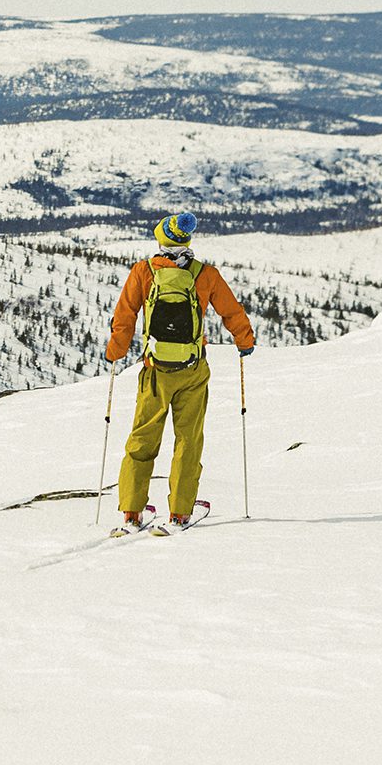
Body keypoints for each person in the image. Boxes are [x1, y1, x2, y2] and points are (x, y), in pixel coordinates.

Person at [105, 212, 254, 529]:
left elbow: (125, 315)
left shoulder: (144, 271)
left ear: (161, 241)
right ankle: (180, 511)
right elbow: (232, 311)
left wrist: (116, 351)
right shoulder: (205, 274)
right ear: (186, 241)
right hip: (193, 369)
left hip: (155, 370)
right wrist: (244, 341)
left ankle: (132, 511)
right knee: (188, 440)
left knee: (143, 440)